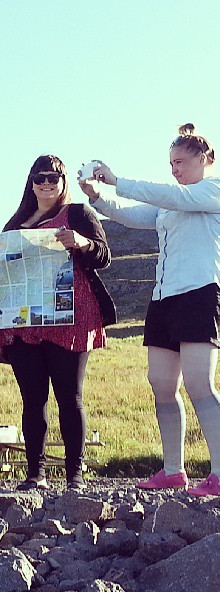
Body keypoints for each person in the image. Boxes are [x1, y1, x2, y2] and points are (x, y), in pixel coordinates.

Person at [80, 124, 220, 497]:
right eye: (170, 163)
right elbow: (133, 215)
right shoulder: (169, 203)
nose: (174, 169)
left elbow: (170, 196)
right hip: (163, 299)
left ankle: (219, 473)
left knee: (199, 385)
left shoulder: (212, 190)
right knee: (161, 384)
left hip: (200, 294)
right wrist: (98, 196)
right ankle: (173, 470)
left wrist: (117, 180)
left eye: (180, 162)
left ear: (204, 159)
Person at [0, 155, 116, 490]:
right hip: (24, 322)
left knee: (70, 397)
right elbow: (3, 269)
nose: (47, 183)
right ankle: (35, 474)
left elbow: (104, 256)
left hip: (68, 318)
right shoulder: (15, 223)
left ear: (64, 181)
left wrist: (81, 242)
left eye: (54, 177)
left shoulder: (79, 214)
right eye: (40, 178)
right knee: (32, 399)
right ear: (31, 182)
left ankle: (74, 476)